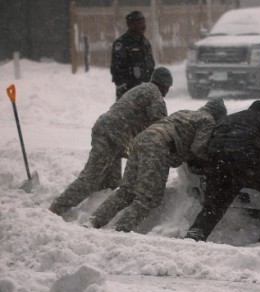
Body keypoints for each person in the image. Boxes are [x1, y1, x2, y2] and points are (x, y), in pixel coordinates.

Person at [88, 98, 227, 232]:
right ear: (218, 116)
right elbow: (198, 149)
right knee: (149, 197)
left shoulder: (184, 112)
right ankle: (120, 229)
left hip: (141, 139)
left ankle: (94, 221)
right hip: (159, 146)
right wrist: (212, 160)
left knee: (126, 190)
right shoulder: (207, 121)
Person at [49, 67, 173, 217]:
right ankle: (56, 209)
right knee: (91, 177)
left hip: (111, 133)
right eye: (167, 88)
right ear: (164, 85)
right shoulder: (155, 96)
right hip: (112, 136)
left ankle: (92, 210)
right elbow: (159, 126)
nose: (166, 93)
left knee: (111, 183)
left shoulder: (141, 88)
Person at [185, 100, 260, 243]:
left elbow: (212, 142)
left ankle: (196, 233)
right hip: (246, 161)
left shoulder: (226, 119)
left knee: (215, 204)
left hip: (218, 162)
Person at [111, 10, 155, 99]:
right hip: (128, 92)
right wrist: (124, 87)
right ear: (131, 25)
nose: (144, 26)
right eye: (140, 23)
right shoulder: (122, 43)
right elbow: (116, 68)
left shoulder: (145, 43)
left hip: (144, 91)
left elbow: (150, 65)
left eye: (144, 22)